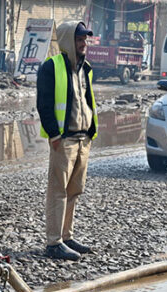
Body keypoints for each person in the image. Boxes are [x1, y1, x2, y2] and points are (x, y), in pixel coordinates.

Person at [36, 21, 98, 261]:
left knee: (74, 191)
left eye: (85, 40)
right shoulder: (51, 67)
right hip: (64, 140)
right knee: (58, 191)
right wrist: (54, 134)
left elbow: (87, 100)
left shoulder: (86, 68)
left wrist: (91, 131)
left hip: (83, 138)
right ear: (67, 41)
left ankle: (67, 236)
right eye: (79, 39)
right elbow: (44, 104)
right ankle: (54, 243)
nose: (84, 44)